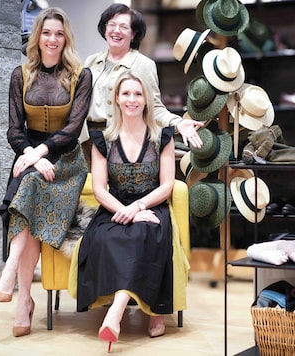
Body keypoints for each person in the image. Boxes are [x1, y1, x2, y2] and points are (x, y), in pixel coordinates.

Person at [0, 7, 92, 338]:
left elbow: (73, 129)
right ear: (38, 36)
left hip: (64, 157)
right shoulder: (20, 75)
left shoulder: (81, 75)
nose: (53, 39)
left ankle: (14, 281)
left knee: (29, 188)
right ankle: (24, 300)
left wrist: (38, 153)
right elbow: (14, 129)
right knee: (26, 191)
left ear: (66, 39)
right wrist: (28, 154)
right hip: (29, 155)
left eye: (59, 34)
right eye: (47, 33)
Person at [75, 70, 175, 352]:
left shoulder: (162, 138)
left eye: (138, 94)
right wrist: (125, 210)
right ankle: (141, 311)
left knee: (145, 231)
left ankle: (118, 312)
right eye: (126, 93)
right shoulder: (102, 140)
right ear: (117, 98)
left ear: (146, 100)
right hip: (113, 207)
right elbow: (99, 189)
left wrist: (138, 207)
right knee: (110, 237)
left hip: (151, 204)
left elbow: (167, 185)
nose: (132, 99)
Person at [80, 3, 203, 165]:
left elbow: (155, 107)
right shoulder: (92, 61)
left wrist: (178, 123)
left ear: (134, 33)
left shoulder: (144, 65)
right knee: (91, 188)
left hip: (121, 141)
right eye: (112, 25)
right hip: (88, 141)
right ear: (104, 28)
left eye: (124, 27)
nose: (116, 31)